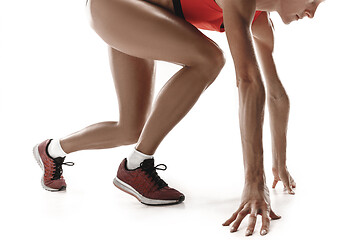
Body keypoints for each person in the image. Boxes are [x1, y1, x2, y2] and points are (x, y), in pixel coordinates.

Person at [33, 0, 323, 236]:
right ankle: (136, 166)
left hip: (144, 13)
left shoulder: (261, 22)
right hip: (117, 5)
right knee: (209, 58)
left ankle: (52, 150)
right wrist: (253, 181)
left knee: (131, 128)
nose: (312, 12)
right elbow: (247, 81)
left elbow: (274, 93)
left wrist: (279, 163)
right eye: (313, 0)